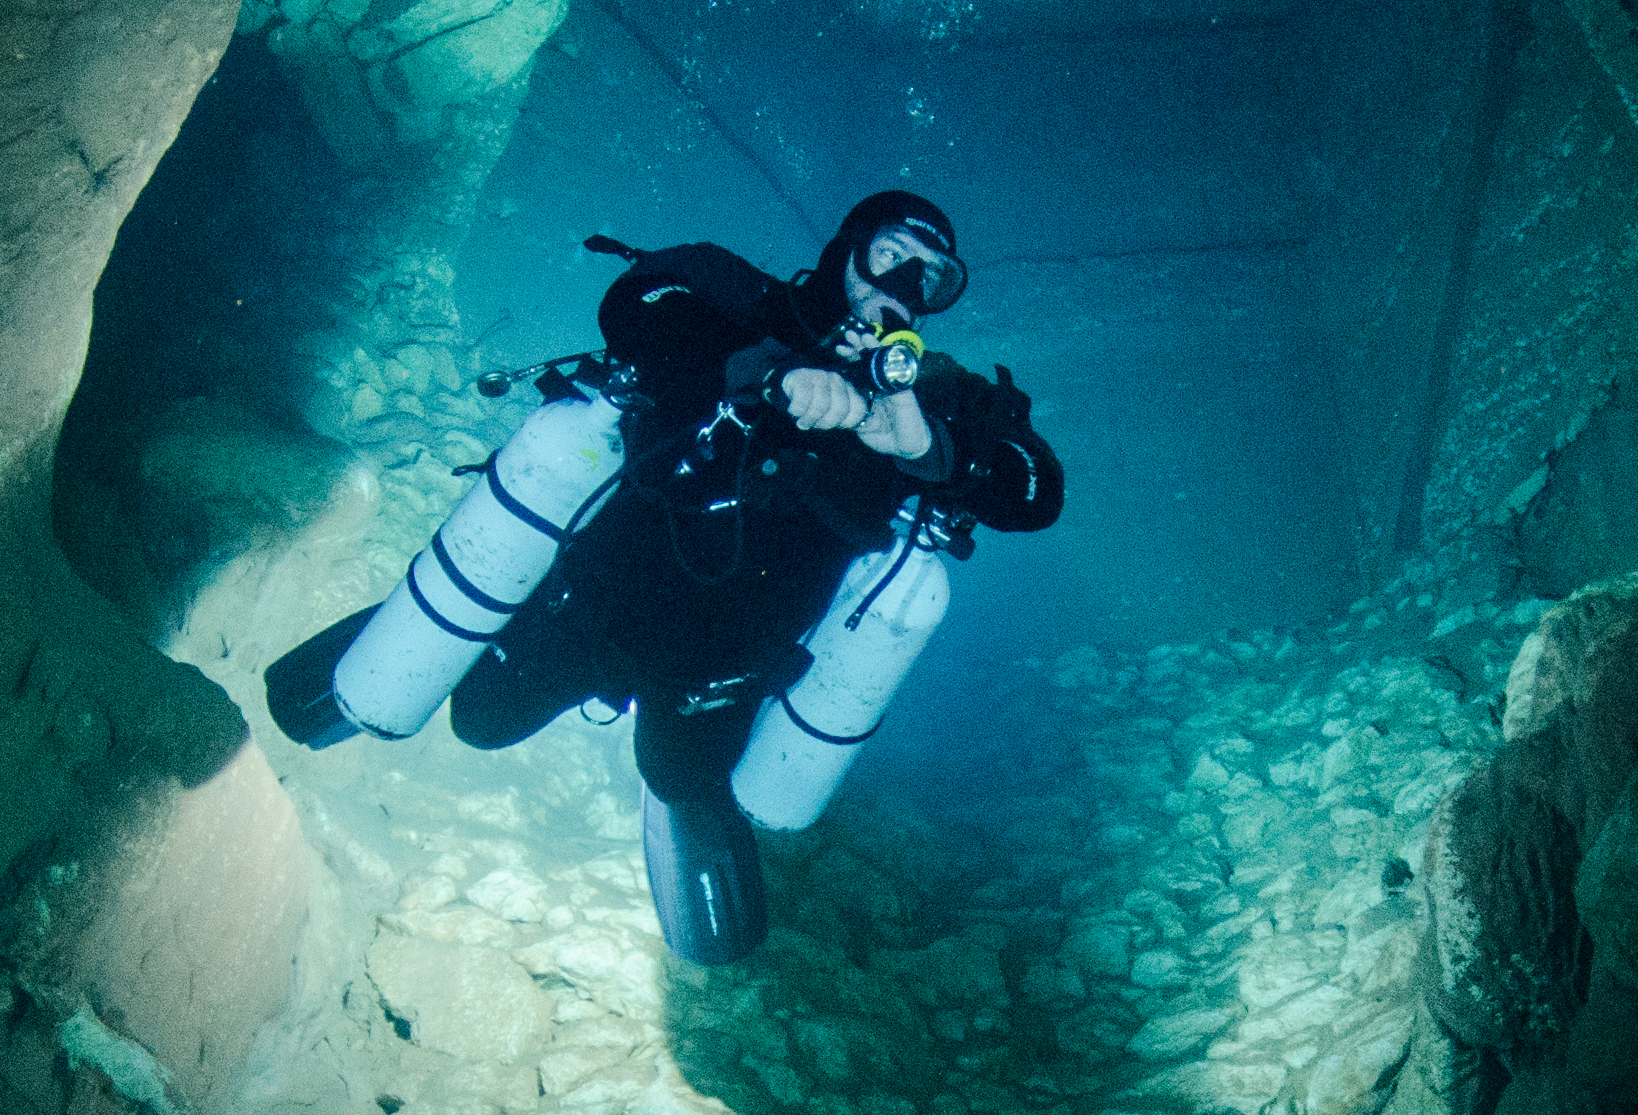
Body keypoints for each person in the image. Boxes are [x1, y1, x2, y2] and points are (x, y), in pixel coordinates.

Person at [266, 190, 1061, 957]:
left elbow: (1035, 492)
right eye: (889, 256)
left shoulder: (937, 395)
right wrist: (771, 374)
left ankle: (667, 783)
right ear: (845, 249)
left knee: (682, 772)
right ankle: (453, 620)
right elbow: (639, 304)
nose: (903, 288)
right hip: (598, 603)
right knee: (482, 722)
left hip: (724, 668)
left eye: (931, 277)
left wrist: (929, 449)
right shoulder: (738, 298)